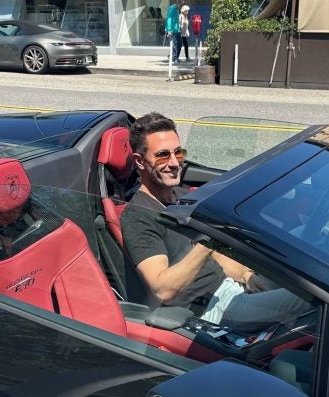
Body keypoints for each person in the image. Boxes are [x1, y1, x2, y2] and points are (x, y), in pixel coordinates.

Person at [120, 112, 312, 331]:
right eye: (162, 155)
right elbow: (162, 290)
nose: (174, 163)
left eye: (178, 153)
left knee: (306, 266)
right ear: (139, 161)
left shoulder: (181, 197)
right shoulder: (138, 216)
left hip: (231, 288)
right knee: (312, 299)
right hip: (209, 310)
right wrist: (207, 239)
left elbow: (216, 255)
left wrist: (246, 276)